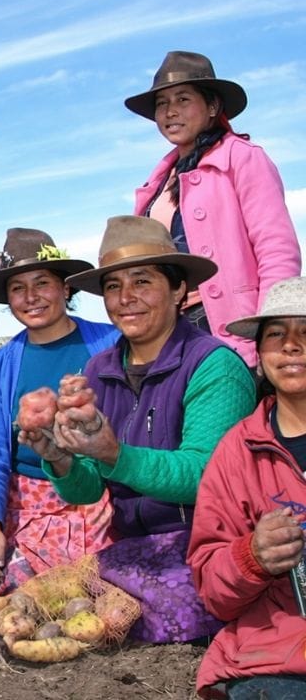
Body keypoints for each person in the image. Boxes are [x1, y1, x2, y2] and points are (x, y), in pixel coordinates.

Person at [31, 216, 255, 643]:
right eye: (113, 286)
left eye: (141, 282)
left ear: (178, 290)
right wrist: (57, 456)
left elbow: (207, 476)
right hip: (133, 549)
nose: (125, 298)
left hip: (204, 546)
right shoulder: (100, 369)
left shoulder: (214, 366)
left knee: (134, 619)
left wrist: (117, 456)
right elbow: (87, 490)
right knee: (39, 600)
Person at [127, 50, 300, 367]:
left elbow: (276, 250)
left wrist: (269, 330)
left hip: (230, 329)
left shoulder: (243, 157)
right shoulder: (159, 179)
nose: (170, 112)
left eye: (182, 99)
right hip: (170, 333)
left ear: (212, 106)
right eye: (162, 104)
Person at [0, 228, 118, 588]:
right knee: (21, 588)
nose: (31, 297)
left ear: (66, 287)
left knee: (110, 582)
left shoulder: (111, 344)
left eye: (42, 283)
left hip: (105, 496)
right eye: (18, 288)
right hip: (30, 505)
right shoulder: (0, 367)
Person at [189, 276, 306, 698]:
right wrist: (252, 556)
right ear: (259, 354)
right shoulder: (238, 452)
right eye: (276, 334)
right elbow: (214, 591)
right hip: (276, 656)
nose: (292, 345)